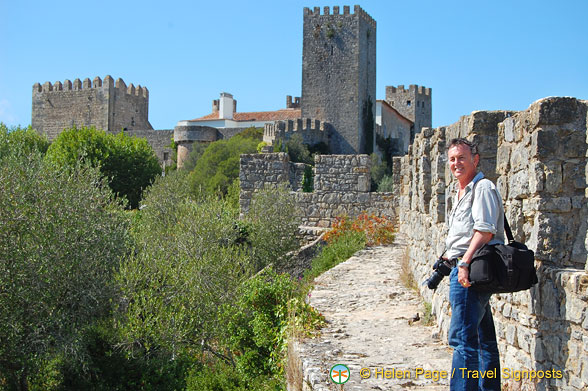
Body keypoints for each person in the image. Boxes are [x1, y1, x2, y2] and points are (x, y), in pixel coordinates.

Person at [444, 138, 505, 391]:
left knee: (462, 341)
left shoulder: (482, 187)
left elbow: (485, 230)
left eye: (461, 158)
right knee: (483, 340)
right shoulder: (460, 191)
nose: (456, 163)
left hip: (470, 272)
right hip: (465, 267)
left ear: (475, 160)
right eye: (452, 159)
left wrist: (464, 263)